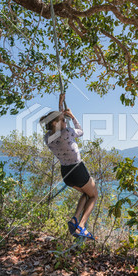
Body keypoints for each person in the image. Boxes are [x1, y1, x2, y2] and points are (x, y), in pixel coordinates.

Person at [39, 95, 97, 240]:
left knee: (85, 194)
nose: (65, 121)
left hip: (66, 174)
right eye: (63, 120)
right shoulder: (67, 132)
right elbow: (81, 131)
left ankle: (74, 220)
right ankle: (81, 227)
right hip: (77, 169)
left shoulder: (47, 138)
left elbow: (57, 123)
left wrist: (60, 106)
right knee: (94, 195)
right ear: (56, 123)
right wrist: (72, 116)